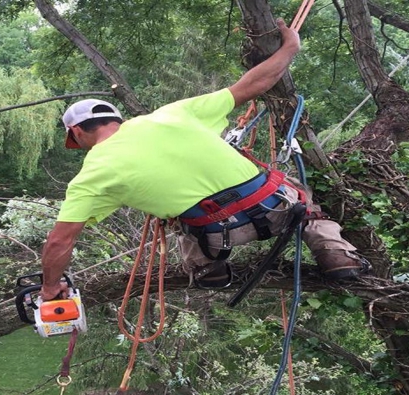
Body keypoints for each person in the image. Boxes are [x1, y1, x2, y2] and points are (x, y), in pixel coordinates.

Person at [40, 18, 370, 300]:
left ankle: (209, 271)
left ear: (77, 133)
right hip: (276, 211)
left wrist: (50, 288)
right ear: (116, 119)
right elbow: (251, 85)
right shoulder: (173, 114)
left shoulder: (92, 173)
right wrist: (289, 49)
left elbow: (60, 240)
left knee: (180, 222)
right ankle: (336, 255)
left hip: (216, 235)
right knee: (299, 193)